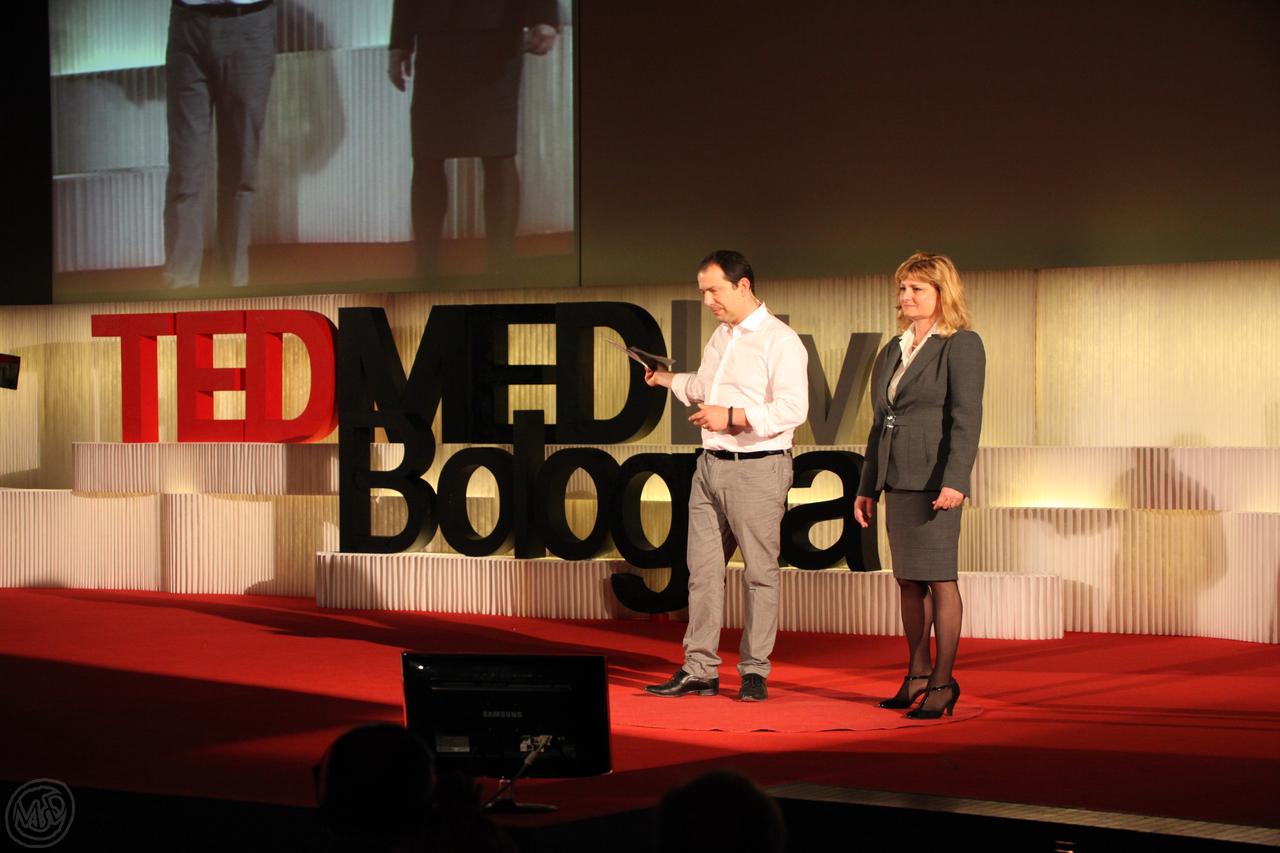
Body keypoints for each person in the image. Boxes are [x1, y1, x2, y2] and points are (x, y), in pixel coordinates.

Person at [644, 250, 808, 702]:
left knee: (759, 574)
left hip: (758, 467)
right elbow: (706, 387)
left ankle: (754, 671)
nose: (708, 301)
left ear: (743, 285)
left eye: (714, 291)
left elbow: (793, 409)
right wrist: (664, 379)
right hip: (709, 466)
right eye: (703, 293)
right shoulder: (722, 336)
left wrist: (731, 416)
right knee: (702, 572)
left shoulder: (780, 341)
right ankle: (699, 668)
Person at [854, 251, 985, 719]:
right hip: (898, 479)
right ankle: (917, 674)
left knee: (940, 580)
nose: (905, 296)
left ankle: (944, 683)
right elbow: (880, 423)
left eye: (916, 289)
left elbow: (966, 419)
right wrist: (867, 486)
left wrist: (956, 481)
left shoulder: (961, 344)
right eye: (902, 288)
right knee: (908, 580)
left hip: (936, 482)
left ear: (941, 293)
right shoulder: (893, 348)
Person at [388, 0, 559, 282]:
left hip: (497, 33)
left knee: (498, 150)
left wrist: (545, 15)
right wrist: (400, 41)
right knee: (428, 154)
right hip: (435, 36)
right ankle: (426, 272)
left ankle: (501, 269)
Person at [164, 0, 277, 289]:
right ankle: (180, 288)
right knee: (185, 172)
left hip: (250, 23)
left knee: (239, 173)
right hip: (188, 24)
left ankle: (231, 286)